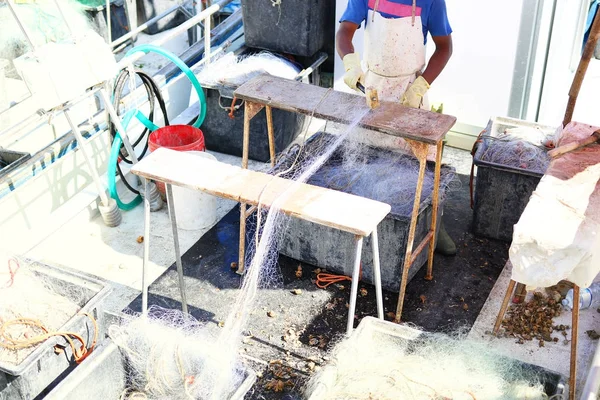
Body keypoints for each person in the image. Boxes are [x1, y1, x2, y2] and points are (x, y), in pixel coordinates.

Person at [336, 0, 456, 255]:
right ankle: (362, 228)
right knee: (366, 158)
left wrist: (420, 87)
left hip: (410, 90)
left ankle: (433, 224)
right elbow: (345, 31)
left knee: (423, 162)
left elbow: (444, 48)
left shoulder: (432, 2)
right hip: (372, 89)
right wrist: (350, 64)